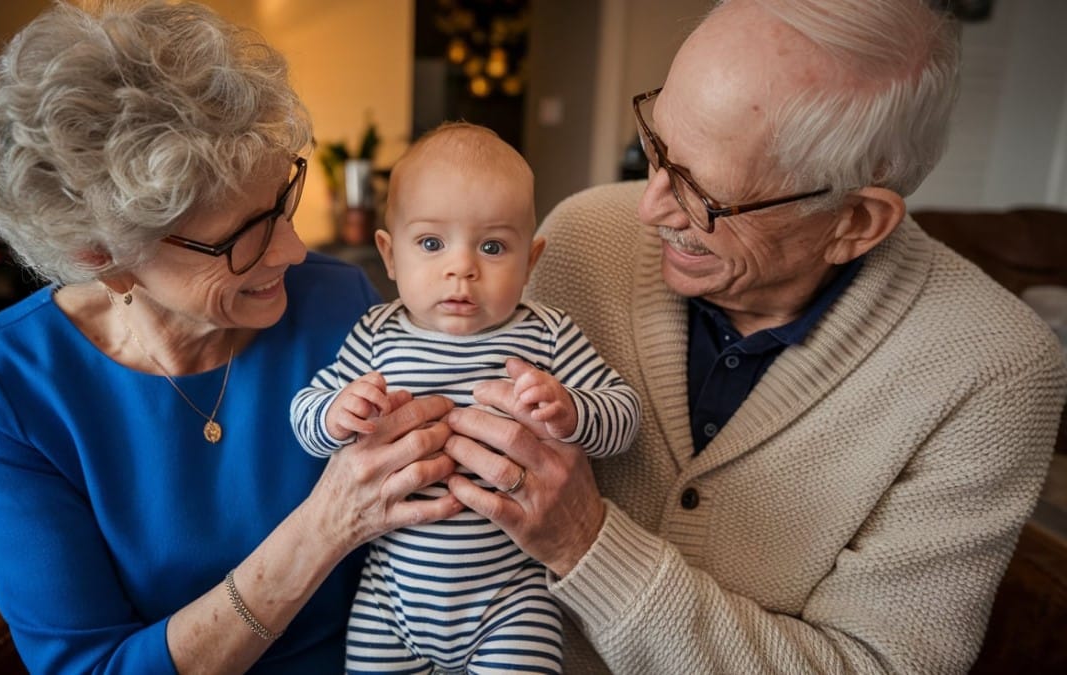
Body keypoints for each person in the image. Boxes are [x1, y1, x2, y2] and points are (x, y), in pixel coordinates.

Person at [439, 1, 1067, 673]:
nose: (648, 208)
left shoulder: (994, 368)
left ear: (854, 220)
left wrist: (589, 545)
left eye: (702, 194)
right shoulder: (583, 236)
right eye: (655, 147)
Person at [0, 3, 464, 672]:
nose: (296, 249)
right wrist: (324, 527)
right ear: (105, 255)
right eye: (245, 235)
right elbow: (88, 665)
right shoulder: (8, 382)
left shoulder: (341, 304)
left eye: (283, 198)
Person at [289, 122, 640, 673]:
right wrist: (334, 415)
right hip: (390, 600)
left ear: (531, 260)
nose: (462, 267)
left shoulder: (547, 334)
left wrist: (573, 411)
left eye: (493, 246)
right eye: (431, 243)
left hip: (512, 600)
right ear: (389, 253)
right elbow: (304, 412)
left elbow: (624, 415)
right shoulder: (377, 334)